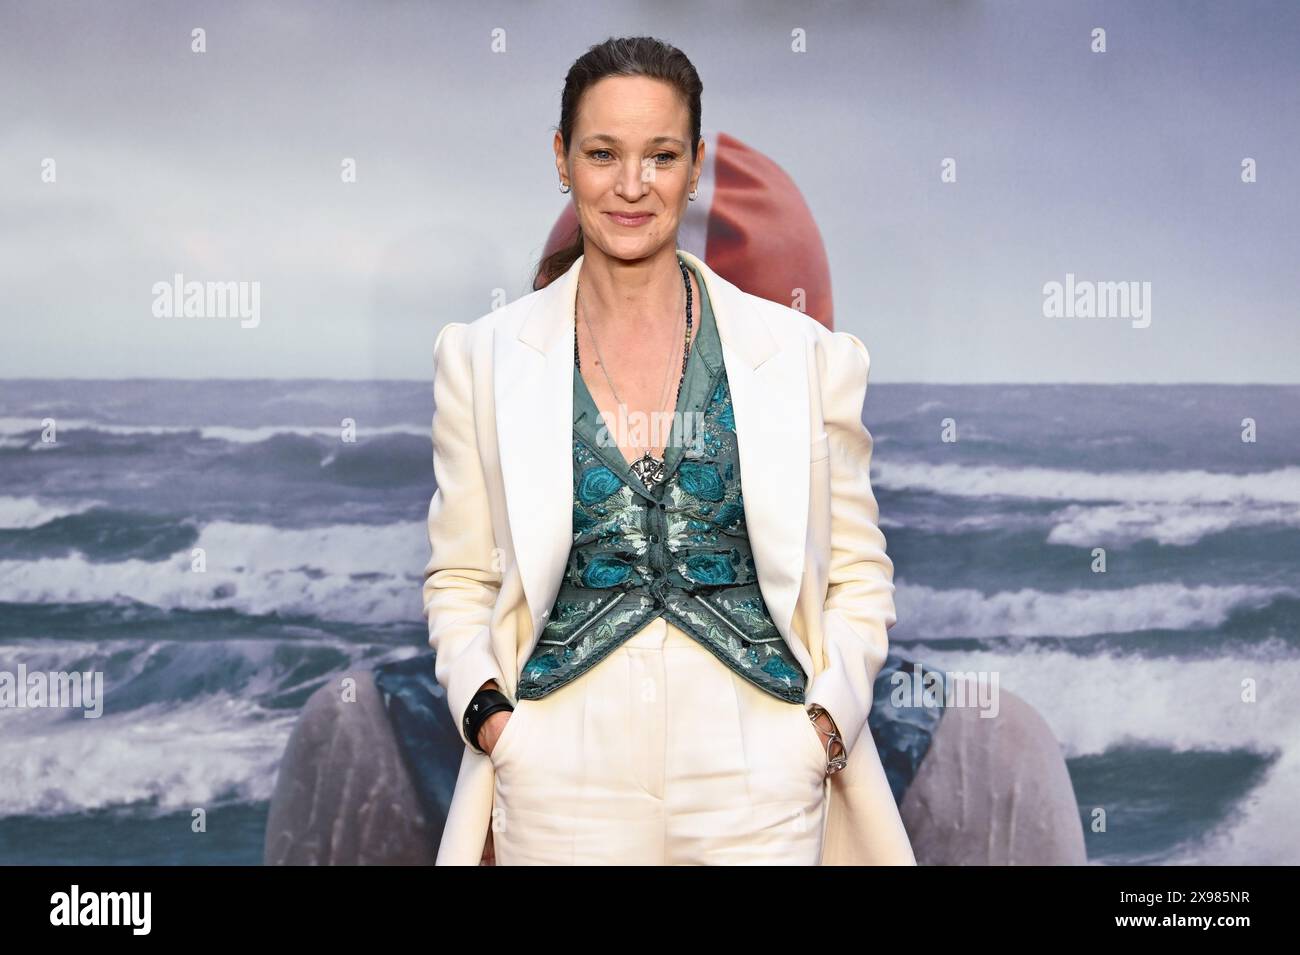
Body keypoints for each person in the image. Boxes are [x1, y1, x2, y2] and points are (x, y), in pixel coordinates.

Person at [423, 35, 914, 865]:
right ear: (562, 158)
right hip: (558, 771)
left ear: (692, 170)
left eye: (660, 156)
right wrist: (492, 720)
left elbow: (860, 574)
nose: (630, 185)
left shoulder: (804, 355)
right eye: (602, 153)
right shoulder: (481, 357)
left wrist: (823, 722)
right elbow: (462, 576)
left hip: (759, 771)